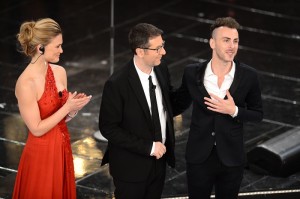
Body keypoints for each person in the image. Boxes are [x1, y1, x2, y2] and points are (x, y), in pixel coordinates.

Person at [175, 17, 263, 198]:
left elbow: (257, 114)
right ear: (212, 43)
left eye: (235, 41)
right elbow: (178, 104)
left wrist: (234, 110)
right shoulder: (192, 73)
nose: (232, 46)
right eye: (226, 40)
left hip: (232, 157)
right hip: (199, 156)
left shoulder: (248, 76)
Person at [12, 18, 92, 199]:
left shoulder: (60, 72)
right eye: (57, 46)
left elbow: (59, 118)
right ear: (40, 48)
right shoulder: (25, 84)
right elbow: (37, 128)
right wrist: (67, 108)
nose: (61, 50)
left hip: (62, 146)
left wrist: (73, 110)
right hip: (41, 155)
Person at [99, 23, 179, 199]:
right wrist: (149, 147)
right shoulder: (117, 84)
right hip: (130, 169)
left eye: (163, 46)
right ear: (140, 51)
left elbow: (169, 105)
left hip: (159, 162)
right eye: (157, 49)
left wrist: (194, 85)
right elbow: (108, 128)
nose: (163, 52)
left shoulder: (161, 69)